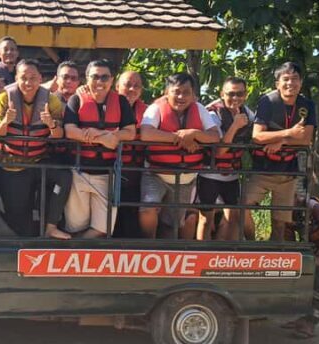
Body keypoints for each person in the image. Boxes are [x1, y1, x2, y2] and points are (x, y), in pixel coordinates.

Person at [0, 59, 71, 239]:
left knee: (64, 176)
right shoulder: (5, 98)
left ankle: (51, 226)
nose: (28, 83)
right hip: (12, 164)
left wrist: (51, 124)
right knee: (20, 218)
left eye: (33, 78)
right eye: (23, 78)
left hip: (38, 161)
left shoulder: (51, 101)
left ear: (40, 78)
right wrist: (7, 120)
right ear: (16, 79)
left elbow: (58, 135)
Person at [139, 73, 220, 239]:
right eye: (177, 91)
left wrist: (194, 133)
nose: (181, 96)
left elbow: (214, 137)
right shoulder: (156, 108)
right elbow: (146, 133)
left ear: (193, 94)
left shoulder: (199, 109)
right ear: (167, 92)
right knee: (147, 208)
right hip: (156, 173)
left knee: (172, 223)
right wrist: (180, 138)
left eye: (186, 92)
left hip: (186, 178)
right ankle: (148, 245)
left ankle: (167, 253)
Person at [63, 60, 137, 238]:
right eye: (95, 76)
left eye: (104, 77)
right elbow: (70, 131)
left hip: (107, 172)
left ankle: (74, 248)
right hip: (79, 171)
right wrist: (105, 137)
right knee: (76, 224)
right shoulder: (76, 99)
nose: (100, 81)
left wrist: (109, 136)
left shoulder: (120, 102)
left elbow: (130, 132)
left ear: (112, 80)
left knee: (103, 228)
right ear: (87, 79)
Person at [244, 62, 316, 241]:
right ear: (277, 83)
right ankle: (251, 245)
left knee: (280, 220)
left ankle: (274, 252)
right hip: (262, 169)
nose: (290, 83)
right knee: (242, 206)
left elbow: (306, 139)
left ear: (301, 82)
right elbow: (257, 136)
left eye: (295, 79)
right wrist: (289, 134)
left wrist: (281, 142)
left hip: (288, 172)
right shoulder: (267, 101)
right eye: (286, 79)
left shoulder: (307, 105)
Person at [197, 77, 254, 241]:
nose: (235, 98)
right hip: (209, 174)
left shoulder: (248, 114)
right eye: (231, 94)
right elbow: (220, 152)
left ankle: (224, 256)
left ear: (246, 95)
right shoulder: (212, 113)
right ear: (222, 94)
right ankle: (202, 255)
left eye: (240, 94)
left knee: (234, 216)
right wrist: (235, 126)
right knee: (206, 219)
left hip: (232, 174)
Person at [282, 195, 319, 339]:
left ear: (296, 197)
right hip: (312, 246)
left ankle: (311, 323)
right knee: (306, 282)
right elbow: (288, 234)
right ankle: (303, 317)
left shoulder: (313, 206)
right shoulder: (288, 210)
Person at [112, 71, 147, 238]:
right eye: (127, 85)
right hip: (109, 171)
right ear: (117, 86)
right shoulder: (105, 106)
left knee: (132, 219)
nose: (132, 89)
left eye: (137, 86)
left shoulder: (149, 112)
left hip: (136, 173)